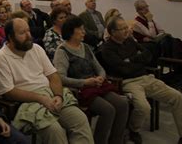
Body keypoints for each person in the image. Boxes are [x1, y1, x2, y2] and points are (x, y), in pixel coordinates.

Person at [0, 18, 94, 144]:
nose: (29, 35)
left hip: (51, 95)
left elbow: (53, 75)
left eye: (28, 30)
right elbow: (9, 91)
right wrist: (41, 99)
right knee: (55, 130)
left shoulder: (36, 48)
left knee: (80, 119)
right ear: (10, 38)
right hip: (29, 102)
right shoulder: (2, 57)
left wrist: (58, 95)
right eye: (22, 33)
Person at [101, 17, 182, 144]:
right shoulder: (107, 49)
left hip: (145, 77)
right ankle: (133, 130)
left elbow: (148, 55)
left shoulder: (129, 41)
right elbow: (124, 70)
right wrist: (138, 60)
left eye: (126, 27)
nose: (126, 31)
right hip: (128, 82)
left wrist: (131, 60)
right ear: (112, 32)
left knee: (177, 96)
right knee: (144, 107)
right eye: (122, 29)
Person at [54, 16, 128, 144]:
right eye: (81, 29)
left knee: (122, 104)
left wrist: (101, 77)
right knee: (108, 110)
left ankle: (116, 141)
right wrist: (84, 82)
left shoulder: (86, 47)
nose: (84, 32)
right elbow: (60, 78)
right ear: (71, 32)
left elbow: (99, 68)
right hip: (79, 90)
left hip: (95, 85)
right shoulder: (62, 51)